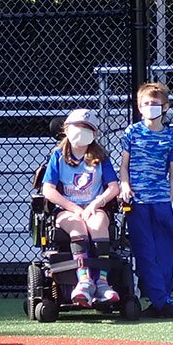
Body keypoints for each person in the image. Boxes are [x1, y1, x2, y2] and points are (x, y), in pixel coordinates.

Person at [119, 82, 173, 318]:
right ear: (139, 107)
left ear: (165, 106)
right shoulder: (131, 132)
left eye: (155, 103)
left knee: (165, 251)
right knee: (145, 251)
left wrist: (167, 197)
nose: (150, 107)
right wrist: (125, 185)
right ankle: (160, 300)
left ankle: (162, 299)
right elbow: (124, 166)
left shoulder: (171, 137)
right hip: (137, 203)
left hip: (161, 202)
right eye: (146, 104)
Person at [41, 108, 121, 307]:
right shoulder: (58, 157)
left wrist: (96, 203)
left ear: (94, 134)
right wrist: (73, 208)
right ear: (67, 130)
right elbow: (48, 190)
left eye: (86, 128)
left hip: (94, 207)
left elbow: (113, 187)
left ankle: (102, 283)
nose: (81, 131)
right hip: (68, 209)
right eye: (77, 127)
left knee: (98, 225)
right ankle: (83, 280)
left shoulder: (101, 158)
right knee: (77, 227)